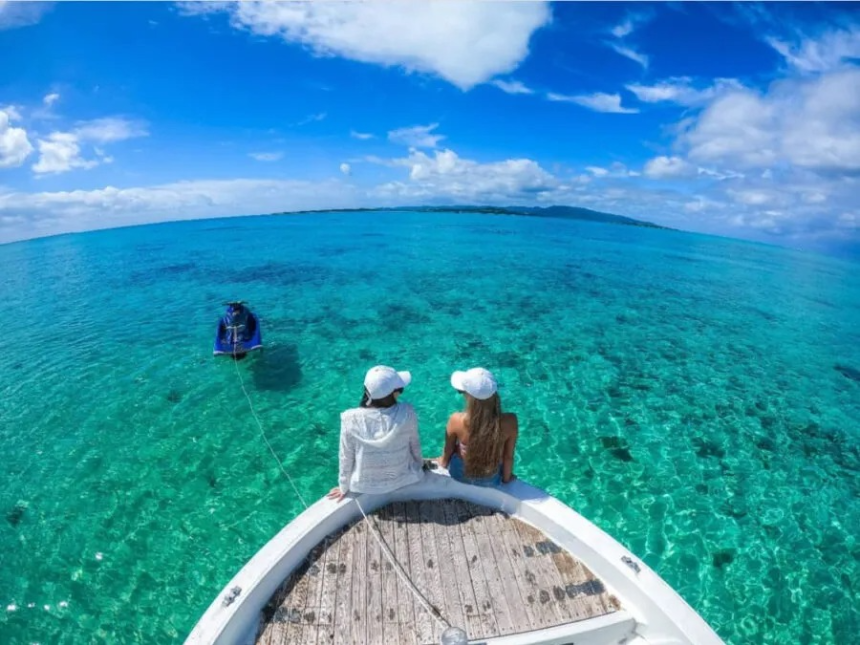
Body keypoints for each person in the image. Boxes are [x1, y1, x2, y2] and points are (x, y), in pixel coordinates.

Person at [327, 365, 424, 501]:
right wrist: (419, 465)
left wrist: (343, 487)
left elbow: (345, 457)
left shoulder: (349, 419)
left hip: (364, 485)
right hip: (403, 478)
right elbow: (415, 445)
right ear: (394, 393)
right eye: (400, 389)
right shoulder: (407, 412)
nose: (401, 392)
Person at [439, 367, 518, 486]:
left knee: (457, 448)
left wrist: (443, 464)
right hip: (490, 479)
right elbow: (508, 456)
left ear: (468, 396)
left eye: (461, 391)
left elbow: (448, 451)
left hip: (459, 475)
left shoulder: (456, 419)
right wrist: (506, 479)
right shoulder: (510, 421)